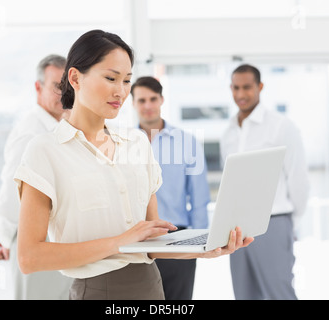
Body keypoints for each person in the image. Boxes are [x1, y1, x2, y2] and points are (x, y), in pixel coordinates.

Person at [13, 29, 253, 300]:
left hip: (150, 285)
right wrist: (118, 242)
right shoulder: (44, 151)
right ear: (75, 77)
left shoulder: (137, 143)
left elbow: (149, 243)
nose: (121, 91)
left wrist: (205, 249)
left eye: (127, 80)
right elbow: (29, 257)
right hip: (96, 290)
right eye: (110, 78)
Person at [220, 64, 309, 300]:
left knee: (280, 293)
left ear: (260, 87)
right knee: (244, 294)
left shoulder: (281, 126)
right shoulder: (228, 133)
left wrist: (291, 223)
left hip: (274, 223)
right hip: (237, 230)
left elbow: (298, 179)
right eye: (236, 88)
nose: (241, 94)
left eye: (247, 87)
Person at [0, 54, 73, 299]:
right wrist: (8, 241)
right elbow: (10, 194)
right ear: (38, 88)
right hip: (33, 239)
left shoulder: (60, 128)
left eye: (67, 87)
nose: (63, 93)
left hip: (54, 241)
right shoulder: (31, 133)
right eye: (56, 87)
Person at [131, 76, 210, 300]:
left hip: (177, 236)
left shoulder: (187, 142)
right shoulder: (122, 143)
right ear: (133, 103)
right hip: (137, 241)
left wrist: (201, 243)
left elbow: (199, 198)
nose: (147, 106)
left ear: (162, 100)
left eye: (153, 99)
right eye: (141, 100)